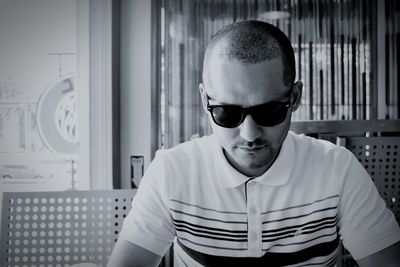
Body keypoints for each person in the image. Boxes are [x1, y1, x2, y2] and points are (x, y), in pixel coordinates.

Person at [108, 20, 400, 267]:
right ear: (204, 100)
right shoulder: (171, 172)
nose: (249, 134)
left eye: (269, 112)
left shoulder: (338, 170)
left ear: (295, 98)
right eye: (227, 113)